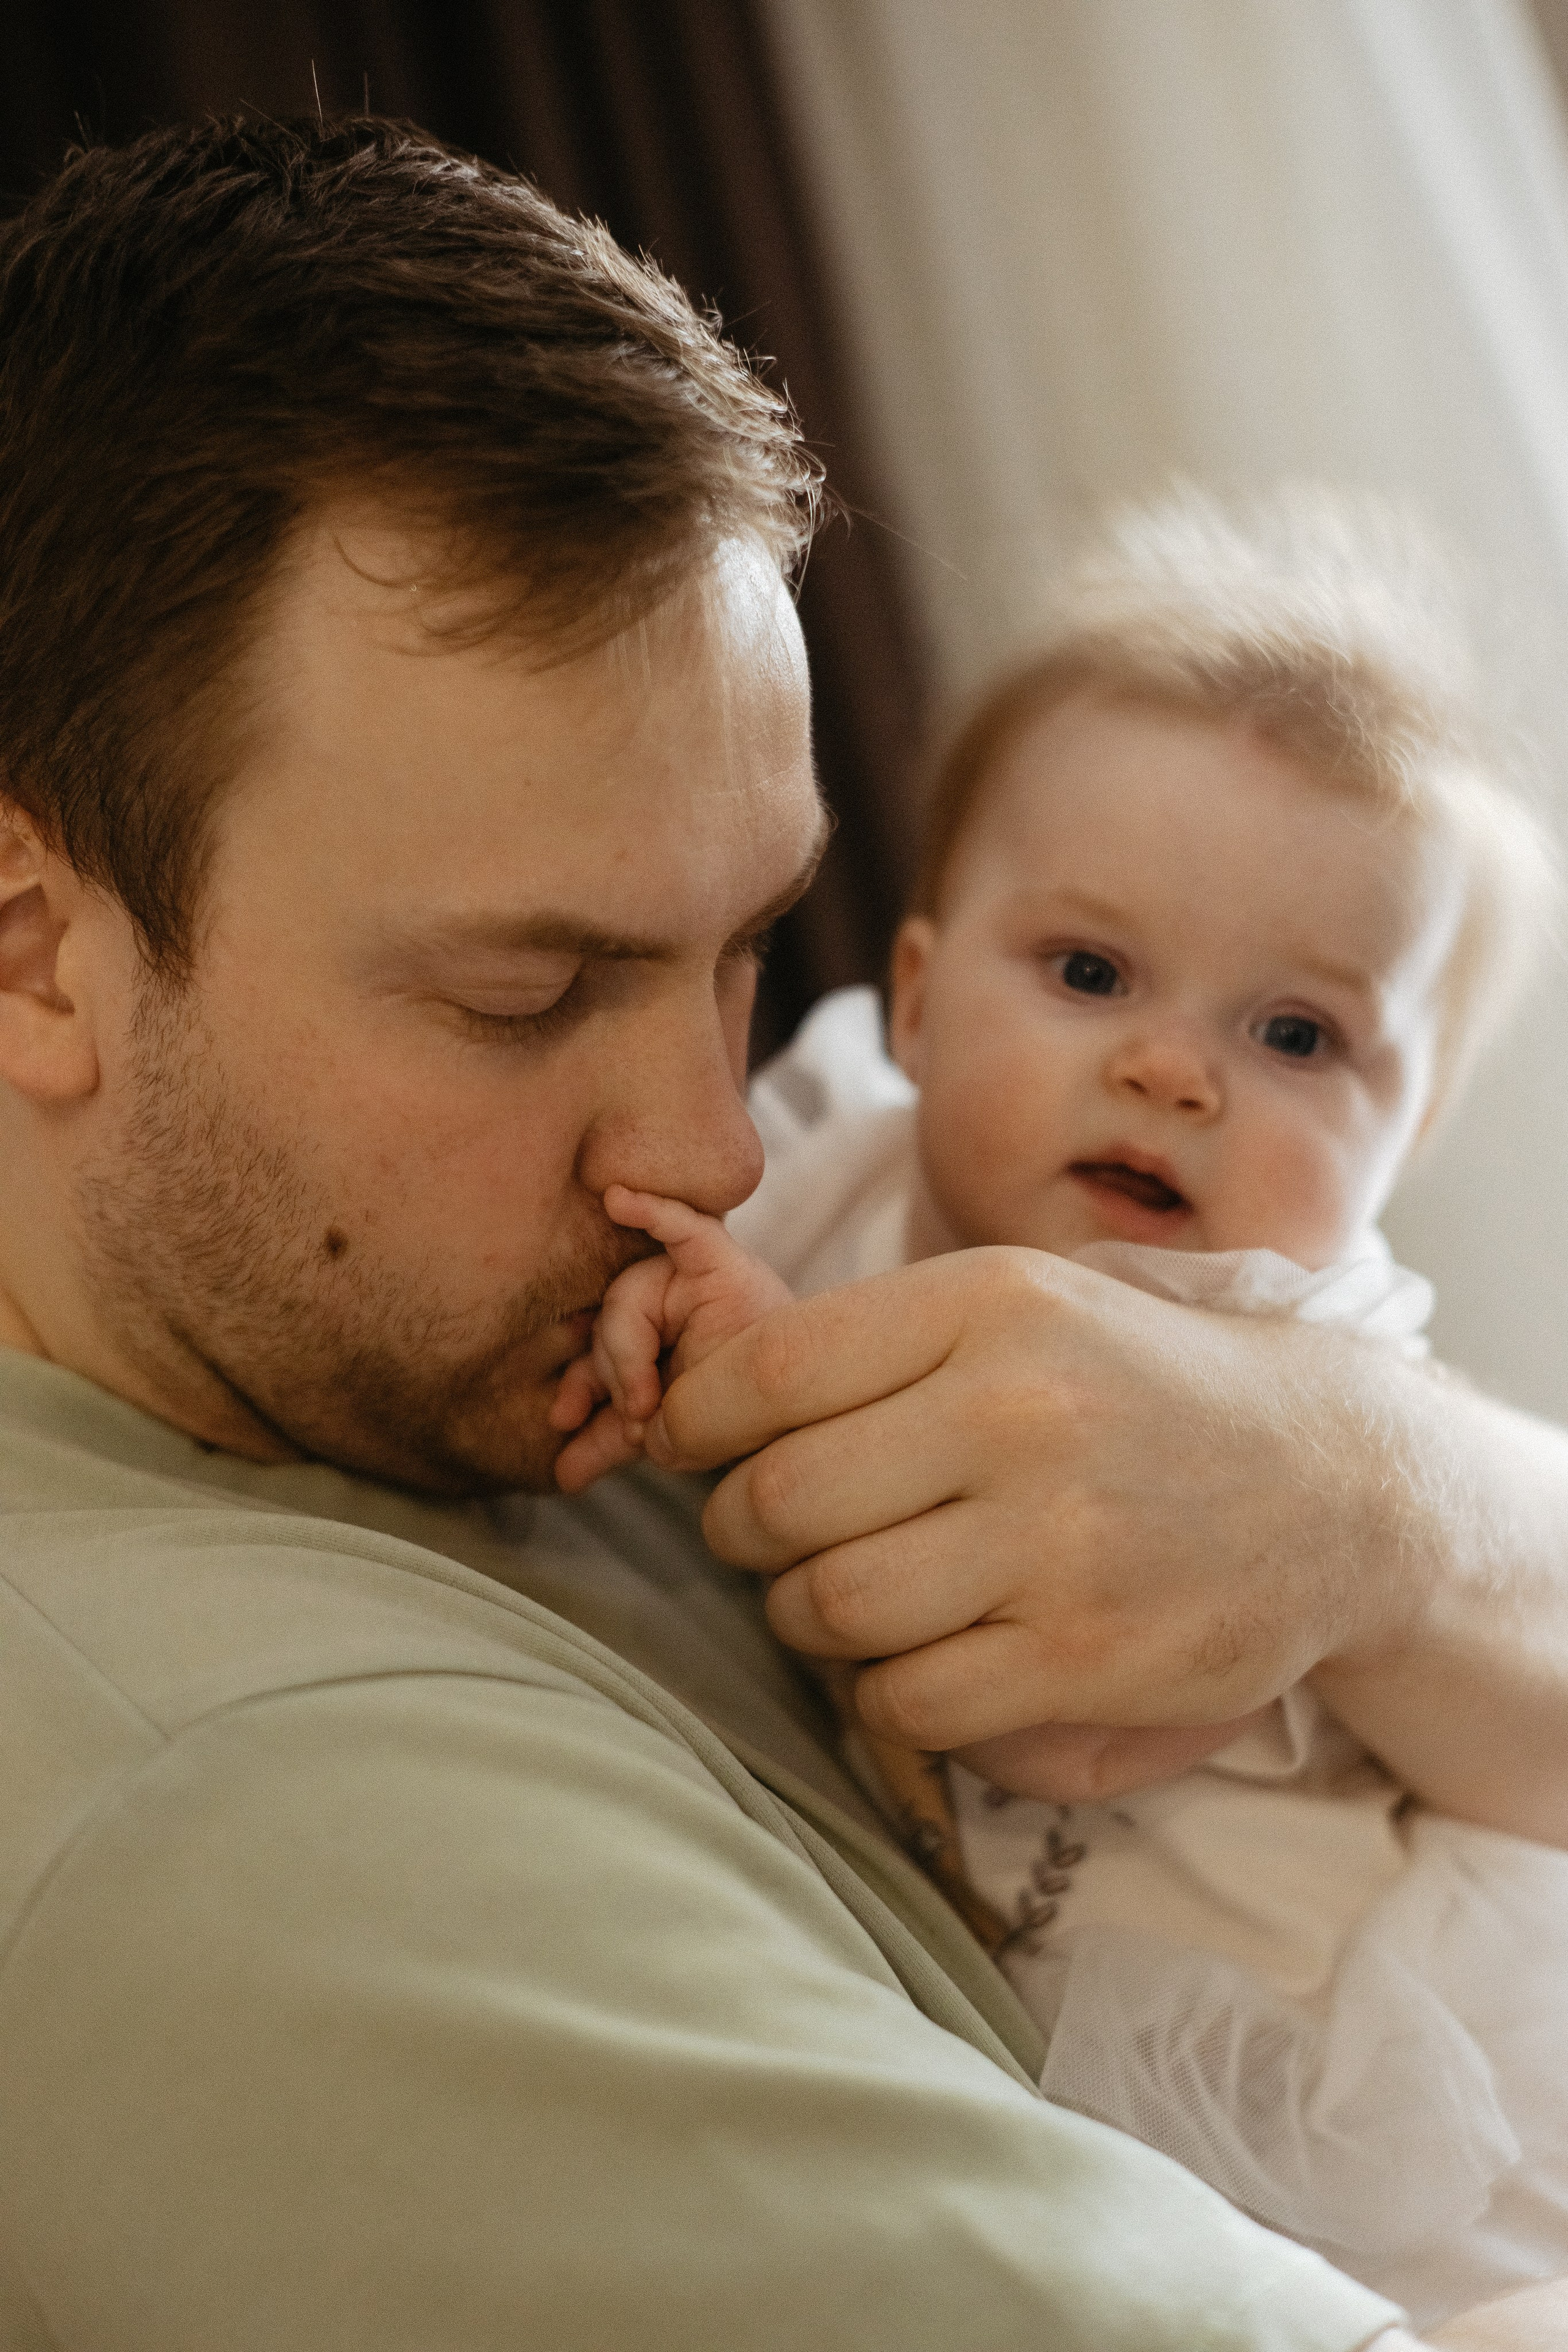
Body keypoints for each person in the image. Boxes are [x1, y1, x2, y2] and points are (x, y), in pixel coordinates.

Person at [0, 114, 1561, 2352]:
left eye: (743, 949)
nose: (724, 1150)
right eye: (525, 995)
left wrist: (1364, 1494)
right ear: (38, 952)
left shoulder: (430, 1342)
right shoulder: (245, 1824)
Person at [550, 489, 1568, 2327]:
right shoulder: (830, 1160)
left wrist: (770, 1374)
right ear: (922, 1002)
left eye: (1299, 1037)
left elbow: (1069, 1723)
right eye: (1090, 973)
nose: (1173, 1068)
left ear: (1404, 1137)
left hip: (1308, 2029)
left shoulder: (1287, 1352)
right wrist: (674, 1313)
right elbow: (676, 1297)